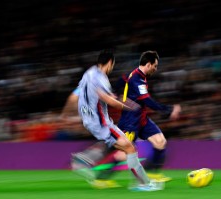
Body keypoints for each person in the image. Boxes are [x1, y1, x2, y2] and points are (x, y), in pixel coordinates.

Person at [69, 50, 163, 191]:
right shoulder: (102, 79)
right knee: (130, 148)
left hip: (88, 120)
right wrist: (127, 106)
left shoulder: (88, 74)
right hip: (102, 124)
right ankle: (143, 184)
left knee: (117, 146)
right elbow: (107, 99)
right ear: (110, 63)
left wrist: (67, 114)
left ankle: (82, 159)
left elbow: (75, 96)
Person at [117, 50, 181, 182]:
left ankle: (151, 173)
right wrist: (169, 110)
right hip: (130, 122)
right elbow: (147, 101)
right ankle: (102, 178)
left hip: (141, 119)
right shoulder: (137, 79)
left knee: (160, 141)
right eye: (155, 66)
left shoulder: (139, 76)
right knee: (122, 154)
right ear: (148, 64)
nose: (156, 69)